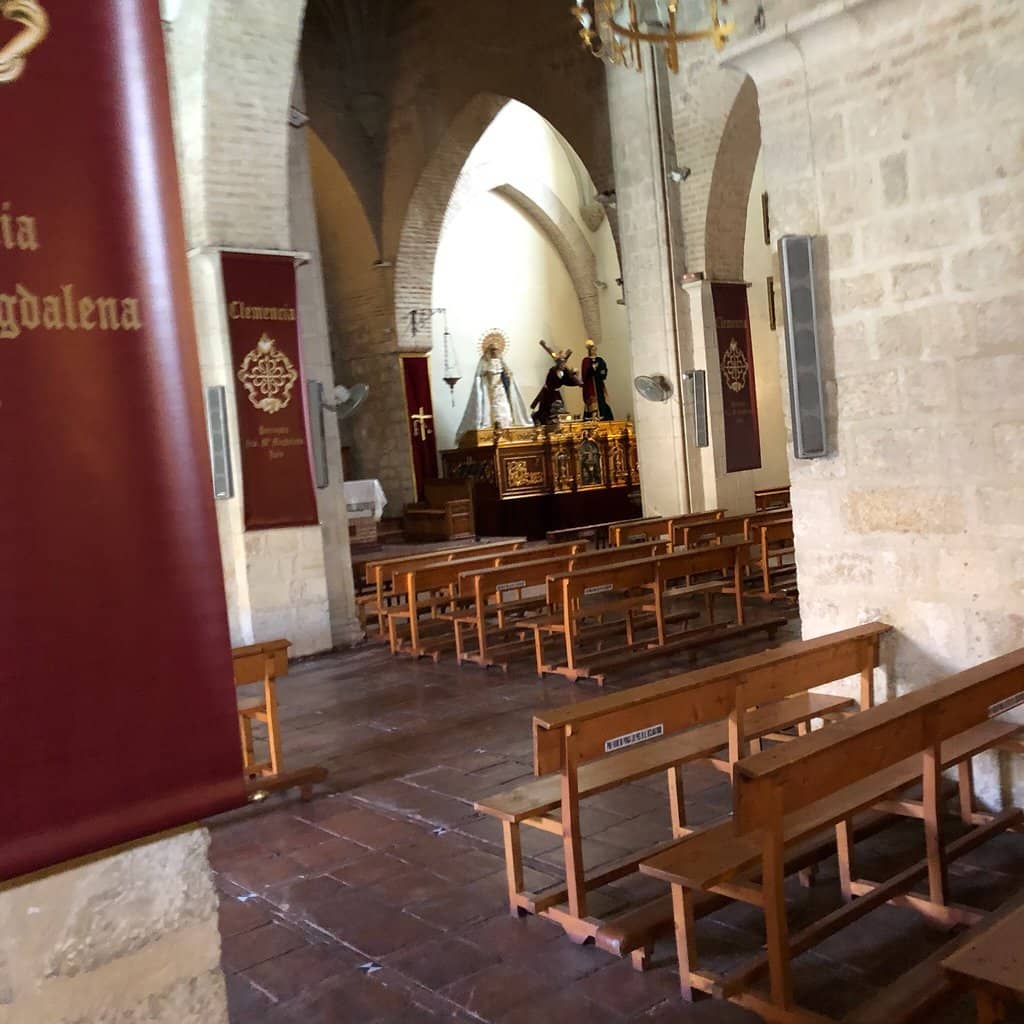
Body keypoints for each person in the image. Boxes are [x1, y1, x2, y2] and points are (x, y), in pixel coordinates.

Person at [456, 336, 531, 437]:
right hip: (489, 391)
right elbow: (480, 377)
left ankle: (505, 430)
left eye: (496, 349)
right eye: (493, 349)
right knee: (491, 410)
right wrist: (486, 376)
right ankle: (490, 429)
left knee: (503, 409)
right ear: (489, 350)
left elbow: (508, 377)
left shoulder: (502, 362)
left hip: (501, 391)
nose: (495, 351)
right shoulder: (485, 363)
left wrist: (508, 376)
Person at [531, 340, 582, 425]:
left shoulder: (565, 372)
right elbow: (551, 382)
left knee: (559, 409)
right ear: (558, 364)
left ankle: (556, 423)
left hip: (555, 392)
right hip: (548, 393)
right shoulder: (552, 371)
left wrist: (575, 377)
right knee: (545, 410)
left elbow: (567, 381)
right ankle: (538, 419)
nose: (563, 365)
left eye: (564, 363)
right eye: (562, 364)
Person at [581, 339, 614, 421]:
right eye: (592, 349)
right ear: (589, 350)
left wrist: (602, 372)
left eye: (595, 349)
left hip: (599, 384)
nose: (594, 351)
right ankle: (593, 416)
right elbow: (585, 373)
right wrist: (592, 368)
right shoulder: (586, 360)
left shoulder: (600, 359)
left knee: (602, 400)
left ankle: (604, 416)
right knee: (593, 402)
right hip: (590, 385)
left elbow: (604, 369)